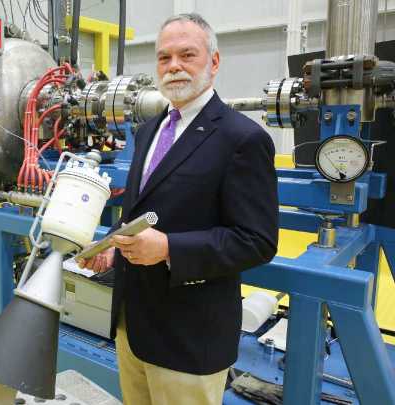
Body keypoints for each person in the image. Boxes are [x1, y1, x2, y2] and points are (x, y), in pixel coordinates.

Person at [78, 13, 279, 405]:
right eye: (164, 57)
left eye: (187, 55)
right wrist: (114, 249)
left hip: (189, 338)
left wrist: (169, 248)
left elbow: (257, 241)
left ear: (214, 62)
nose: (174, 66)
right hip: (131, 327)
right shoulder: (148, 131)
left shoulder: (243, 138)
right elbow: (140, 210)